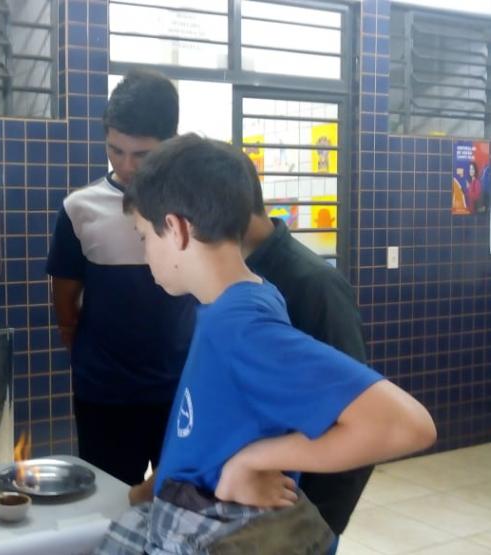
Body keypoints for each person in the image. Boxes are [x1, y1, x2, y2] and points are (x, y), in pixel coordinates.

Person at [101, 134, 437, 554]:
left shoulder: (240, 328)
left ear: (177, 229)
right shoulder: (241, 300)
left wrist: (253, 460)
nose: (146, 254)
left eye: (144, 238)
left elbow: (406, 424)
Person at [46, 69, 197, 486]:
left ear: (169, 142)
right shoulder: (80, 208)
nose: (126, 166)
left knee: (184, 504)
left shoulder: (196, 205)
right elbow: (66, 308)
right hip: (106, 395)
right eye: (115, 151)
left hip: (182, 388)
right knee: (111, 508)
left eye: (142, 155)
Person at [241, 157, 371, 550]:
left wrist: (317, 524)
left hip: (299, 516)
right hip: (249, 507)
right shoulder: (227, 278)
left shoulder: (314, 285)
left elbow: (360, 417)